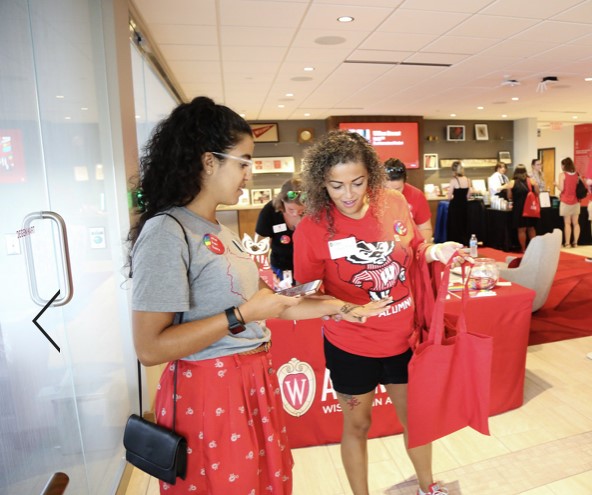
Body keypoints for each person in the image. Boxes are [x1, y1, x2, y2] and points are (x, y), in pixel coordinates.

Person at [127, 97, 391, 495]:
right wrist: (243, 313)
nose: (249, 174)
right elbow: (150, 347)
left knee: (265, 480)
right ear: (208, 161)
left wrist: (341, 307)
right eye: (243, 161)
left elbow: (270, 304)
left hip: (250, 380)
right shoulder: (167, 232)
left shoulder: (215, 227)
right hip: (211, 389)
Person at [292, 130, 464, 495]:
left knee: (415, 421)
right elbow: (305, 297)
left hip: (404, 340)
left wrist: (435, 252)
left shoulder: (394, 202)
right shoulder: (312, 228)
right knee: (357, 426)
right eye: (336, 186)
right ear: (322, 183)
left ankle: (427, 487)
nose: (348, 195)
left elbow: (416, 249)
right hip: (350, 346)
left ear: (370, 174)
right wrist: (346, 310)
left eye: (357, 182)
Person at [255, 176, 305, 287]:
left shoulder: (314, 210)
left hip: (308, 267)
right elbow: (259, 247)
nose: (295, 214)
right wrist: (266, 273)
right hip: (280, 266)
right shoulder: (270, 211)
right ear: (282, 202)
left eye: (301, 210)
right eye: (291, 209)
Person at [384, 158, 433, 241]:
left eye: (397, 189)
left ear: (405, 181)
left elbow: (425, 228)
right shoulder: (370, 195)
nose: (391, 193)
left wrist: (420, 249)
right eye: (386, 188)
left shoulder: (417, 195)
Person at [507, 164, 539, 252]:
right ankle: (534, 248)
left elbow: (509, 197)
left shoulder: (512, 182)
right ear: (525, 171)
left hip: (519, 208)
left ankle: (523, 249)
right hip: (530, 208)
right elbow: (537, 193)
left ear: (515, 172)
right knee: (531, 228)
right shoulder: (531, 181)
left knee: (521, 230)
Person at [555, 157, 581, 248]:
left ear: (564, 165)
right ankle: (576, 242)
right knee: (576, 223)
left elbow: (561, 189)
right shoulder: (577, 174)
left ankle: (567, 243)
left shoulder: (562, 175)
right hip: (576, 201)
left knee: (567, 223)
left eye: (562, 165)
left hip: (565, 201)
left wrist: (556, 185)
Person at [446, 160, 472, 245]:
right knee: (463, 224)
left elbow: (449, 196)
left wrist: (449, 196)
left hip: (455, 206)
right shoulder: (468, 179)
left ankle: (454, 243)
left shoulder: (454, 180)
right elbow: (469, 195)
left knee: (454, 225)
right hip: (464, 205)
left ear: (453, 170)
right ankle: (464, 242)